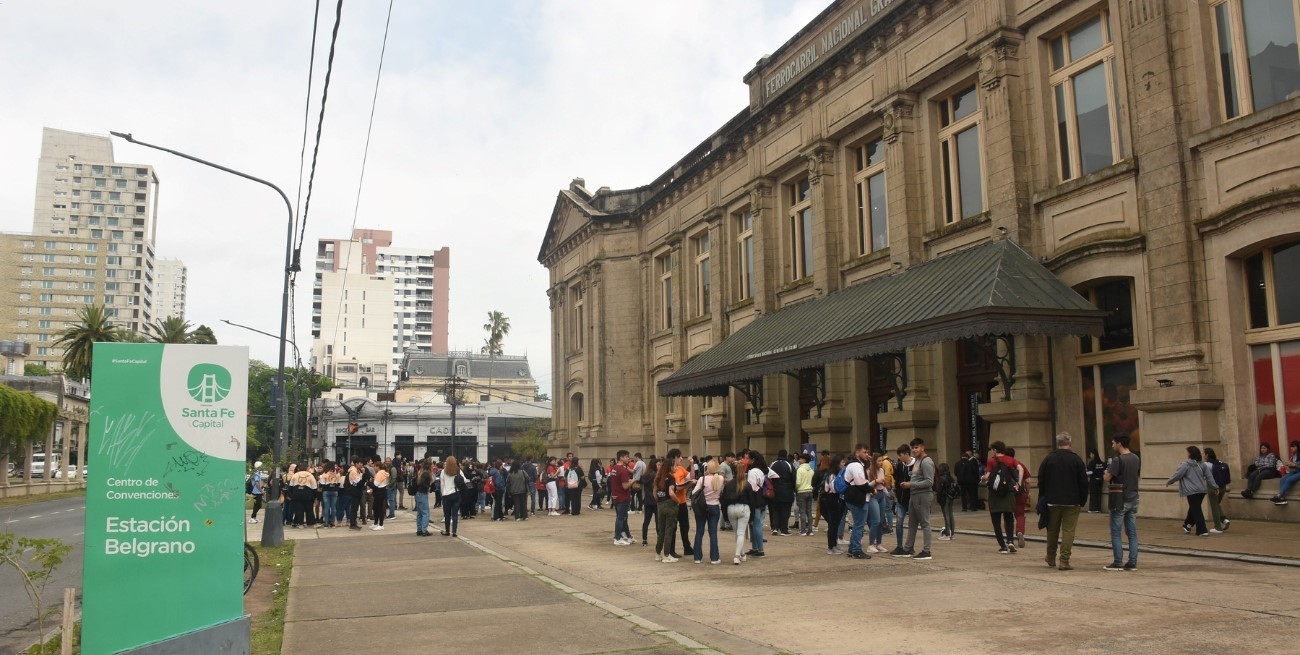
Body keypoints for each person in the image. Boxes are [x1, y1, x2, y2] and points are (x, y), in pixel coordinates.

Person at [1038, 432, 1088, 570]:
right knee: (1068, 531)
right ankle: (1064, 560)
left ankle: (1051, 557)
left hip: (1052, 500)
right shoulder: (1077, 460)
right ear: (1070, 443)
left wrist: (1043, 497)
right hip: (1072, 501)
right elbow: (1083, 483)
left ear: (1057, 444)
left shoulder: (1048, 459)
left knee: (1052, 530)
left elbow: (1041, 480)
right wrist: (1082, 500)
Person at [1104, 434, 1141, 571]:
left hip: (1120, 499)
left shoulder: (1117, 460)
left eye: (1114, 443)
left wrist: (1106, 472)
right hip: (1134, 498)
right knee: (1132, 532)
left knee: (1116, 531)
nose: (1113, 445)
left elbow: (1107, 478)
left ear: (1119, 444)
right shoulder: (1136, 458)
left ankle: (1118, 561)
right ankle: (1132, 562)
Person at [897, 438, 934, 561]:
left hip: (923, 495)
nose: (914, 450)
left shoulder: (926, 461)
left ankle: (926, 551)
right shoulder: (917, 461)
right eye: (912, 447)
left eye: (916, 447)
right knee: (912, 523)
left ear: (922, 447)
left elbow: (929, 482)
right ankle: (907, 549)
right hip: (914, 495)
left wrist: (911, 485)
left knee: (925, 523)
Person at [1167, 445, 1214, 537]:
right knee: (1194, 508)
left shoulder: (1185, 464)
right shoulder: (1202, 464)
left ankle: (1202, 530)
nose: (1187, 454)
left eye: (1187, 452)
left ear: (1190, 454)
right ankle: (1187, 525)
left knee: (1196, 510)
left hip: (1192, 491)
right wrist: (1215, 486)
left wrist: (1170, 481)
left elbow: (1178, 475)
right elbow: (1209, 477)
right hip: (1201, 491)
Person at [984, 441, 1021, 554]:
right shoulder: (1010, 460)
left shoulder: (991, 460)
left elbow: (988, 476)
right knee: (1009, 517)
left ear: (995, 450)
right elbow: (1021, 469)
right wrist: (1018, 483)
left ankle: (1003, 546)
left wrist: (983, 478)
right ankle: (1010, 540)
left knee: (996, 521)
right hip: (1008, 492)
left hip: (995, 494)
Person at [843, 444, 873, 560]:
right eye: (864, 452)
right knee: (859, 526)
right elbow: (861, 483)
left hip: (856, 498)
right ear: (857, 453)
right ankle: (856, 550)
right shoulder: (855, 465)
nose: (867, 454)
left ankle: (852, 549)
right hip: (858, 499)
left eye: (867, 452)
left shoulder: (857, 464)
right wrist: (872, 489)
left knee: (857, 524)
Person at [691, 460, 724, 564]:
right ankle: (714, 558)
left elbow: (694, 492)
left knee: (699, 531)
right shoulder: (721, 479)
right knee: (713, 532)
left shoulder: (702, 479)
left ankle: (697, 557)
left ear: (707, 468)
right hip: (714, 506)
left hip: (702, 507)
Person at [727, 459, 755, 564]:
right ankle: (737, 555)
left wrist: (725, 516)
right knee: (741, 533)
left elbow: (724, 500)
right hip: (743, 508)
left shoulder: (729, 484)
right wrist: (752, 517)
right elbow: (752, 501)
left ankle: (742, 554)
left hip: (731, 509)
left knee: (737, 534)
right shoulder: (746, 484)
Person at [653, 457, 681, 562]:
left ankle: (658, 553)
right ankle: (666, 554)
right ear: (670, 467)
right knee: (669, 530)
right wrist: (677, 501)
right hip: (670, 504)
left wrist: (659, 501)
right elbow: (671, 492)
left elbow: (654, 493)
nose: (676, 467)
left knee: (661, 530)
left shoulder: (658, 477)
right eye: (675, 466)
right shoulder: (671, 478)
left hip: (660, 504)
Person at [818, 455, 846, 555]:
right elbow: (834, 488)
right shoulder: (832, 474)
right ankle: (831, 547)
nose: (844, 464)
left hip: (837, 500)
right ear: (837, 464)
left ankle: (834, 545)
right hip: (831, 500)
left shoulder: (839, 474)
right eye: (842, 462)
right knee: (833, 525)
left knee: (835, 524)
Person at [745, 452, 770, 558]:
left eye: (748, 458)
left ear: (753, 460)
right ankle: (756, 548)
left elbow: (751, 487)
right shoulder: (761, 470)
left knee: (755, 524)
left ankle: (760, 549)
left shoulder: (752, 471)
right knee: (755, 523)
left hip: (754, 498)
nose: (747, 460)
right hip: (761, 497)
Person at [769, 450, 796, 536]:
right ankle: (784, 529)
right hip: (787, 491)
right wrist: (794, 489)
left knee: (775, 510)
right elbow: (794, 478)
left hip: (775, 490)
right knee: (785, 510)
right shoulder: (789, 465)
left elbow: (768, 476)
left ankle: (774, 528)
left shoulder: (773, 464)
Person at [609, 450, 634, 545]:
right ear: (621, 458)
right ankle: (618, 537)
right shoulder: (623, 470)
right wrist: (631, 482)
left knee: (622, 517)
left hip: (616, 496)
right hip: (623, 497)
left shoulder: (614, 468)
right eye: (626, 457)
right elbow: (625, 486)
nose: (628, 458)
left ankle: (627, 536)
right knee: (621, 518)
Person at [1205, 447, 1231, 532]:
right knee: (1217, 504)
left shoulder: (1207, 464)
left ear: (1207, 455)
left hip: (1213, 487)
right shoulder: (1220, 463)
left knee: (1214, 506)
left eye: (1204, 454)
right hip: (1223, 487)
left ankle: (1217, 527)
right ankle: (1224, 520)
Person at [438, 456, 464, 537]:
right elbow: (464, 480)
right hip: (456, 493)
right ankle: (454, 532)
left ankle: (447, 530)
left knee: (447, 514)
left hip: (446, 494)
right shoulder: (458, 470)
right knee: (455, 514)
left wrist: (442, 493)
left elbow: (442, 484)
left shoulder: (443, 471)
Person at [1269, 441, 1300, 506]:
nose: (1291, 448)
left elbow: (1296, 465)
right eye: (1291, 446)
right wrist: (1289, 465)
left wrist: (1294, 465)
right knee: (1282, 479)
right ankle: (1282, 498)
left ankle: (1279, 496)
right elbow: (1294, 466)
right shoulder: (1293, 454)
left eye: (1294, 446)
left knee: (1289, 480)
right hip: (1296, 471)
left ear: (1298, 447)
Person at [794, 453, 815, 536]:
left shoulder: (800, 470)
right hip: (810, 491)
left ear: (804, 460)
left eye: (800, 459)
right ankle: (810, 530)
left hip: (801, 491)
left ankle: (803, 530)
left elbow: (798, 482)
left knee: (802, 511)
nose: (799, 460)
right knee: (809, 512)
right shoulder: (811, 470)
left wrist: (796, 488)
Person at [935, 462, 957, 540]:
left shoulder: (941, 479)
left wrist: (939, 499)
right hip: (950, 497)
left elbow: (939, 490)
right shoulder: (951, 477)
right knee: (951, 515)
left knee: (946, 516)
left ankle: (947, 533)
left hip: (944, 498)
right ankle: (952, 533)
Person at [318, 462, 342, 529]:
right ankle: (333, 522)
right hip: (334, 491)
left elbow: (321, 484)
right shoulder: (337, 474)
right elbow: (339, 483)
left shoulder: (324, 474)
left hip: (326, 491)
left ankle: (326, 523)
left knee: (326, 507)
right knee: (334, 508)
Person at [414, 460, 433, 536]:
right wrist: (428, 487)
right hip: (423, 493)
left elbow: (419, 483)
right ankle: (424, 530)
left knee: (419, 513)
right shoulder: (426, 474)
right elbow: (423, 483)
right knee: (425, 513)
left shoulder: (421, 472)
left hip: (418, 493)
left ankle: (419, 529)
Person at [369, 459, 389, 530]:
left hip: (380, 492)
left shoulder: (380, 473)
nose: (374, 468)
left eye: (374, 466)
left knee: (379, 509)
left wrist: (368, 483)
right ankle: (376, 523)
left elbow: (376, 484)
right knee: (375, 508)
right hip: (380, 492)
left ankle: (381, 524)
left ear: (378, 467)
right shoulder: (382, 473)